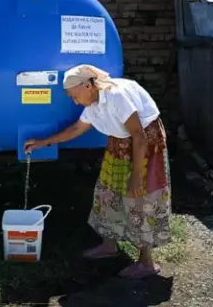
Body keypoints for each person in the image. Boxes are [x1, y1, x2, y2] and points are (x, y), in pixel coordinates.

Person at [24, 64, 172, 279]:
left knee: (140, 199)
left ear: (87, 85)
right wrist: (42, 142)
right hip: (120, 142)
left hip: (145, 144)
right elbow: (76, 128)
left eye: (74, 96)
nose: (75, 101)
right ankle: (109, 245)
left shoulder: (116, 96)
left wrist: (137, 176)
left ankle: (146, 262)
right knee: (107, 192)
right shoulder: (93, 103)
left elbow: (139, 136)